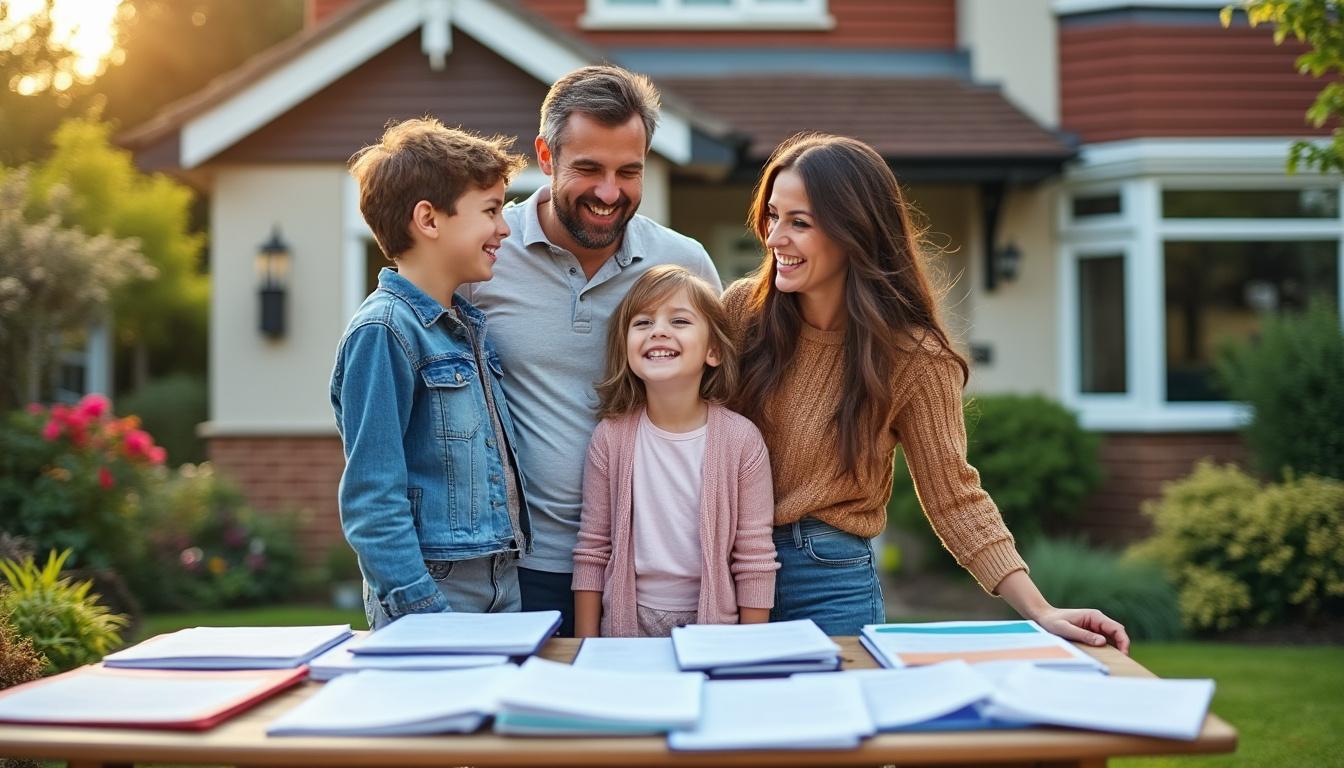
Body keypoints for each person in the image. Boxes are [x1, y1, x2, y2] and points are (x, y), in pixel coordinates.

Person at [723, 132, 1130, 651]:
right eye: (773, 216)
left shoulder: (913, 357)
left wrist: (1040, 609)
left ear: (855, 232)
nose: (775, 236)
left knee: (830, 728)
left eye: (799, 222)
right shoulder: (742, 314)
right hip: (724, 565)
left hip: (830, 580)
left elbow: (953, 496)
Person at [463, 66, 722, 636]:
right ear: (546, 157)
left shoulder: (684, 265)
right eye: (589, 169)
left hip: (655, 571)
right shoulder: (483, 255)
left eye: (629, 171)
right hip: (516, 568)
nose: (610, 193)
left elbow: (724, 406)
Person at [331, 118, 531, 630]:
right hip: (437, 592)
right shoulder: (384, 332)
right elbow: (373, 500)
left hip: (499, 586)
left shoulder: (465, 327)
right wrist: (423, 614)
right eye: (489, 211)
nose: (504, 228)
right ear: (429, 219)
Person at [571, 266, 778, 638]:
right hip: (625, 625)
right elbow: (593, 549)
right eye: (643, 322)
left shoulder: (742, 441)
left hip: (714, 627)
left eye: (679, 320)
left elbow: (755, 560)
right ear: (626, 346)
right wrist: (586, 647)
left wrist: (750, 648)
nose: (659, 331)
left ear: (713, 350)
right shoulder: (610, 438)